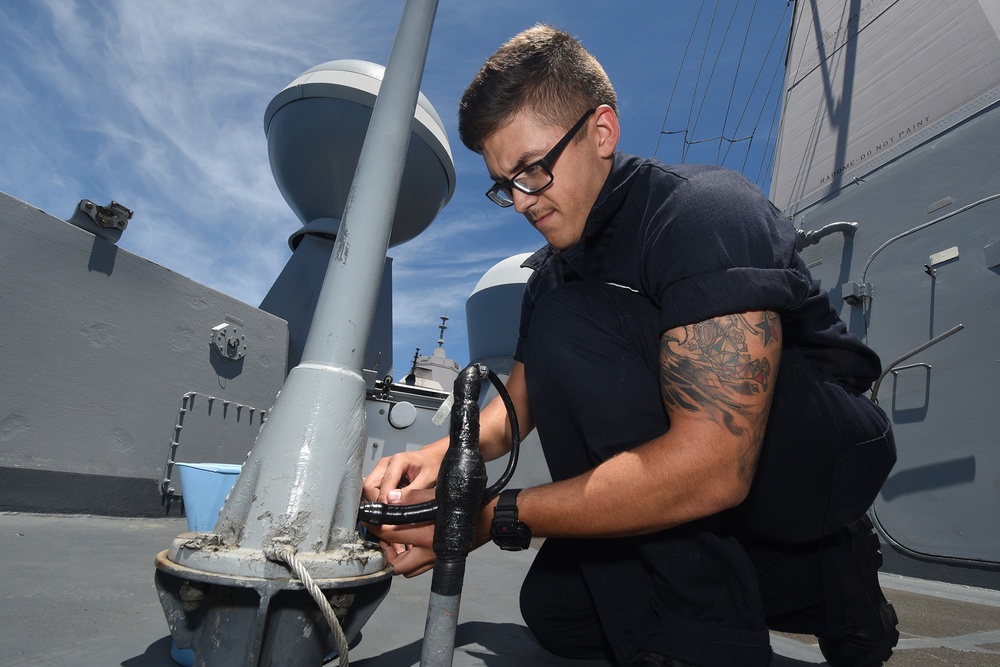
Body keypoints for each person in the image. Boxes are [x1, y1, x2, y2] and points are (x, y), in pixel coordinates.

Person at [362, 25, 898, 667]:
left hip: (818, 456)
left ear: (602, 132)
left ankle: (704, 639)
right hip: (721, 470)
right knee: (560, 611)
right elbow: (523, 399)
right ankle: (824, 581)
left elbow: (713, 466)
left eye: (533, 169)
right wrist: (438, 455)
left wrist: (488, 517)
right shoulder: (554, 270)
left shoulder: (701, 212)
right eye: (506, 184)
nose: (521, 202)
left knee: (572, 323)